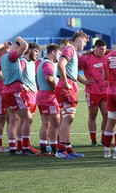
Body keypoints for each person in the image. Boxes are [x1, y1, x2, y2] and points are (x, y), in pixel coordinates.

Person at [0, 36, 31, 156]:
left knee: (12, 119)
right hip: (14, 90)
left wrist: (6, 79)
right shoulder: (11, 56)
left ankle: (13, 148)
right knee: (27, 118)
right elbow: (25, 46)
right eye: (17, 46)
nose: (19, 48)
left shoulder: (3, 58)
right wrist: (19, 38)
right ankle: (25, 147)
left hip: (6, 90)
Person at [55, 30, 89, 159]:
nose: (85, 44)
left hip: (69, 84)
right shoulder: (69, 49)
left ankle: (67, 149)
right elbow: (61, 64)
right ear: (79, 39)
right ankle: (61, 150)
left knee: (67, 118)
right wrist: (66, 83)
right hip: (66, 84)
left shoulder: (72, 51)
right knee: (68, 118)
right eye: (85, 41)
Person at [78, 39, 108, 146]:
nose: (103, 51)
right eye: (101, 49)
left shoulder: (107, 57)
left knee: (106, 114)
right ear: (95, 48)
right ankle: (93, 140)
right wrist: (84, 81)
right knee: (93, 115)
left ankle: (104, 139)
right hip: (92, 92)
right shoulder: (87, 59)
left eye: (104, 49)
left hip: (105, 92)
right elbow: (73, 70)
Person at [36, 44, 61, 156]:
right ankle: (54, 148)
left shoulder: (42, 62)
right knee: (55, 123)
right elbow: (49, 78)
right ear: (53, 52)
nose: (59, 56)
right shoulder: (48, 63)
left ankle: (43, 148)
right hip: (49, 97)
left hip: (41, 95)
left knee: (46, 123)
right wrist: (57, 88)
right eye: (59, 53)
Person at [19, 42, 41, 154]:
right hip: (26, 95)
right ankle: (25, 147)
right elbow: (17, 75)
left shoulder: (32, 63)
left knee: (26, 120)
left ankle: (22, 145)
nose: (37, 54)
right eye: (36, 51)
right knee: (27, 120)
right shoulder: (23, 61)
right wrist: (24, 86)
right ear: (29, 50)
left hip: (33, 95)